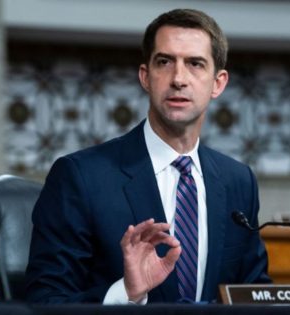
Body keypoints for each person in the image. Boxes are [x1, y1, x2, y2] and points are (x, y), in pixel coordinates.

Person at [25, 8, 270, 304]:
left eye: (195, 63)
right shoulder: (80, 176)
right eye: (164, 62)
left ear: (218, 83)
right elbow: (45, 299)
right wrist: (126, 293)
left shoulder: (238, 181)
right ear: (145, 77)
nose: (178, 78)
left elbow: (255, 292)